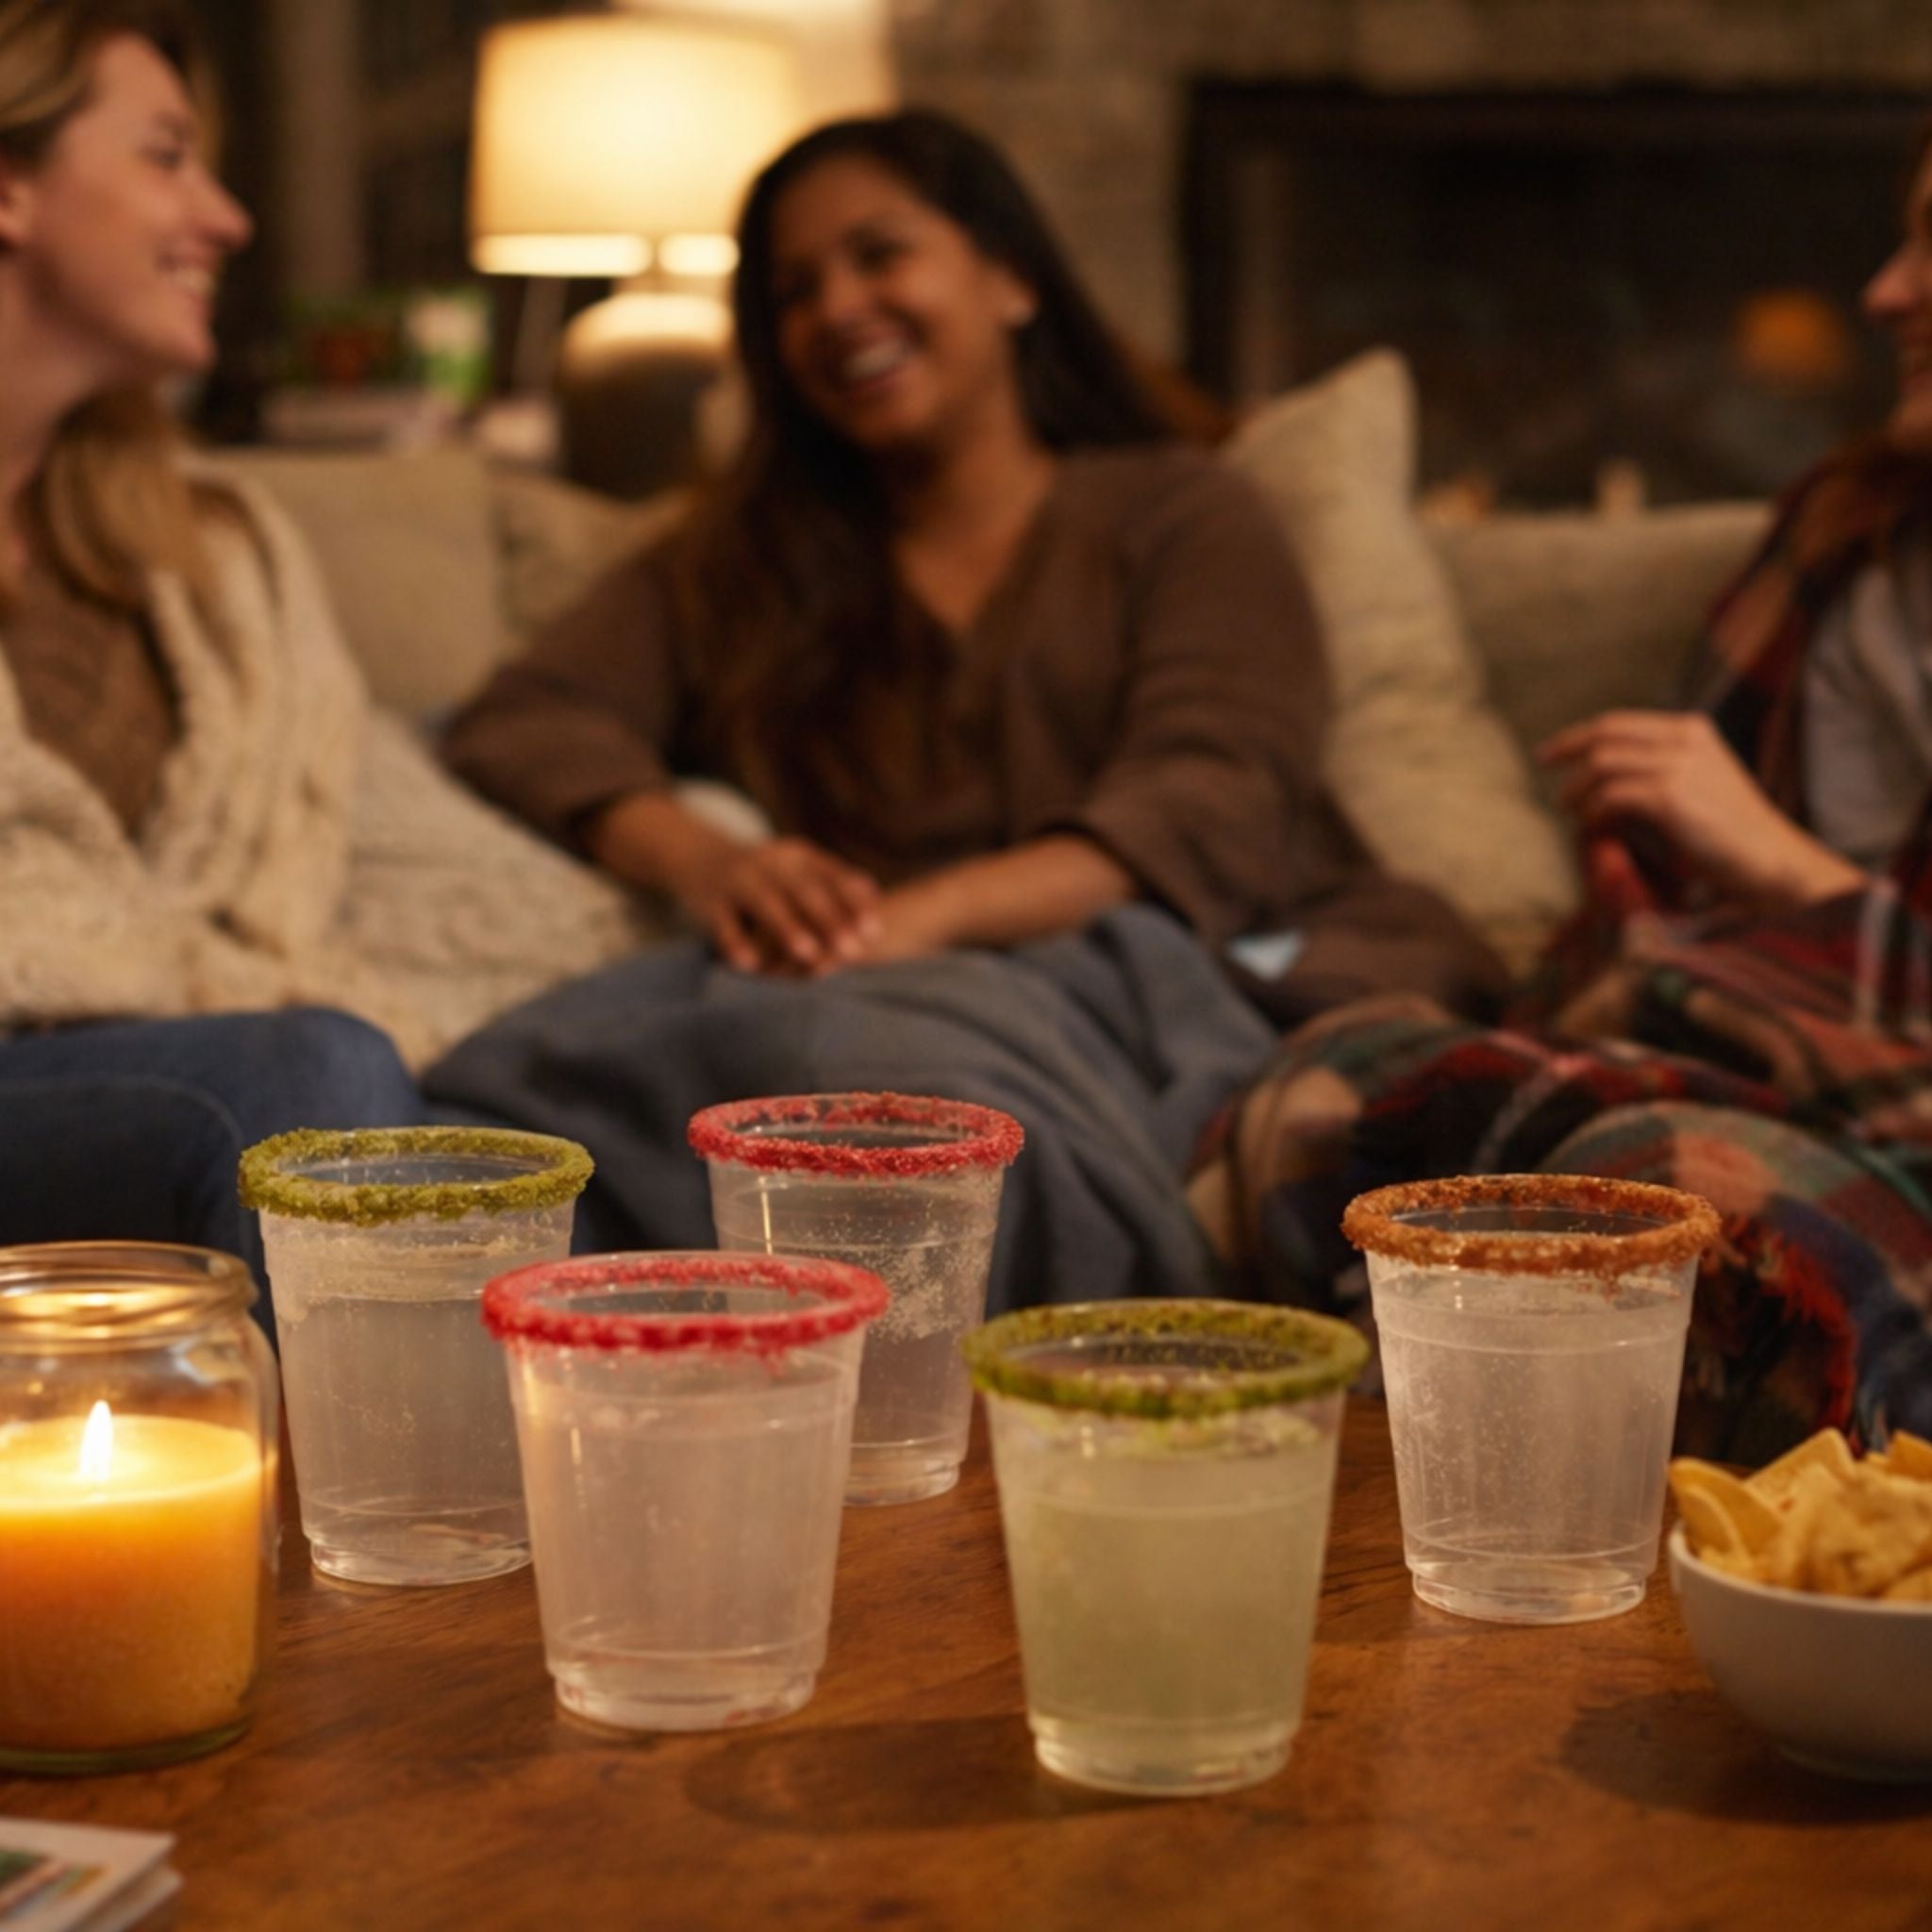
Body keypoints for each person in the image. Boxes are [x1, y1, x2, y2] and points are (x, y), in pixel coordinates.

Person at [433, 109, 1500, 1306]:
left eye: (879, 254)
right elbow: (524, 718)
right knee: (507, 1082)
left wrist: (918, 917)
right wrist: (712, 862)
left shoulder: (1181, 512)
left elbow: (1211, 788)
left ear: (1008, 277)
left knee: (864, 1070)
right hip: (863, 981)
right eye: (794, 290)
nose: (836, 308)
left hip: (1171, 956)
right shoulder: (744, 563)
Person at [1195, 122, 1932, 1459]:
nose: (1885, 291)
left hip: (1885, 1099)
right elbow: (1653, 879)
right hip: (1747, 1035)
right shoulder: (1842, 533)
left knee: (1667, 1199)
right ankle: (1361, 1522)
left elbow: (1752, 866)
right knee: (1332, 1078)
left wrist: (1785, 874)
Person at [0, 1, 652, 1286]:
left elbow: (382, 824)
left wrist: (696, 900)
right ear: (10, 189)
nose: (229, 219)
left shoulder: (212, 550)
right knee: (315, 1077)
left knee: (641, 1057)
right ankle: (383, 1494)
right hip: (112, 1068)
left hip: (201, 1041)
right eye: (166, 155)